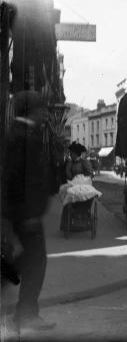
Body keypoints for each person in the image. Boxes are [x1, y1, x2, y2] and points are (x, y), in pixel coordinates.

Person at [2, 91, 56, 331]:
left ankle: (26, 311)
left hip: (24, 213)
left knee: (32, 259)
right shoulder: (24, 137)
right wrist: (29, 214)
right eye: (43, 109)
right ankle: (26, 314)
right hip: (27, 215)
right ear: (32, 111)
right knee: (36, 261)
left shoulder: (19, 133)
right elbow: (16, 179)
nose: (46, 113)